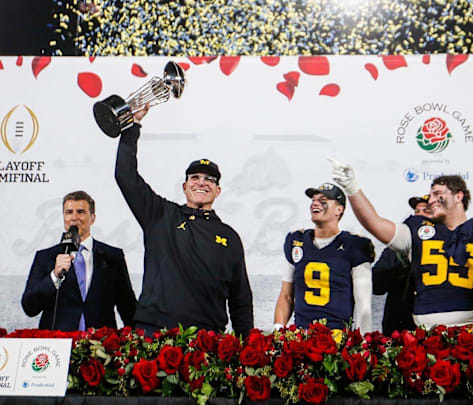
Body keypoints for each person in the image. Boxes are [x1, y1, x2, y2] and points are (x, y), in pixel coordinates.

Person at [114, 106, 253, 335]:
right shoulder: (159, 214)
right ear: (185, 186)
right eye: (195, 177)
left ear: (218, 190)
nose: (201, 182)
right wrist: (132, 126)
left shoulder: (229, 237)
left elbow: (241, 301)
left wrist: (246, 353)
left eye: (209, 179)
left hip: (206, 341)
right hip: (153, 335)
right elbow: (125, 176)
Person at [330, 158, 473, 330]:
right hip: (426, 336)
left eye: (438, 194)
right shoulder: (418, 229)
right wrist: (352, 188)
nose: (431, 200)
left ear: (459, 196)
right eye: (430, 195)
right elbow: (376, 223)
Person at [21, 191, 136, 331]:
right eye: (69, 212)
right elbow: (29, 307)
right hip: (58, 345)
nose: (74, 217)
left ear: (92, 218)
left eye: (80, 212)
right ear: (64, 217)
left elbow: (128, 308)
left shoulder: (113, 256)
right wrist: (54, 276)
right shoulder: (45, 257)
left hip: (101, 346)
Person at [273, 183, 374, 334]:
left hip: (336, 339)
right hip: (301, 338)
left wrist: (364, 341)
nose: (315, 203)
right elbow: (286, 295)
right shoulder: (297, 241)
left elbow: (363, 304)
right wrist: (278, 329)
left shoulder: (354, 245)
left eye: (323, 200)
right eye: (313, 199)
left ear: (339, 210)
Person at [373, 194, 430, 335]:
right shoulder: (398, 244)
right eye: (417, 211)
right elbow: (377, 286)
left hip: (432, 327)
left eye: (426, 211)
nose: (419, 216)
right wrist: (400, 258)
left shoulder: (447, 244)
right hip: (398, 327)